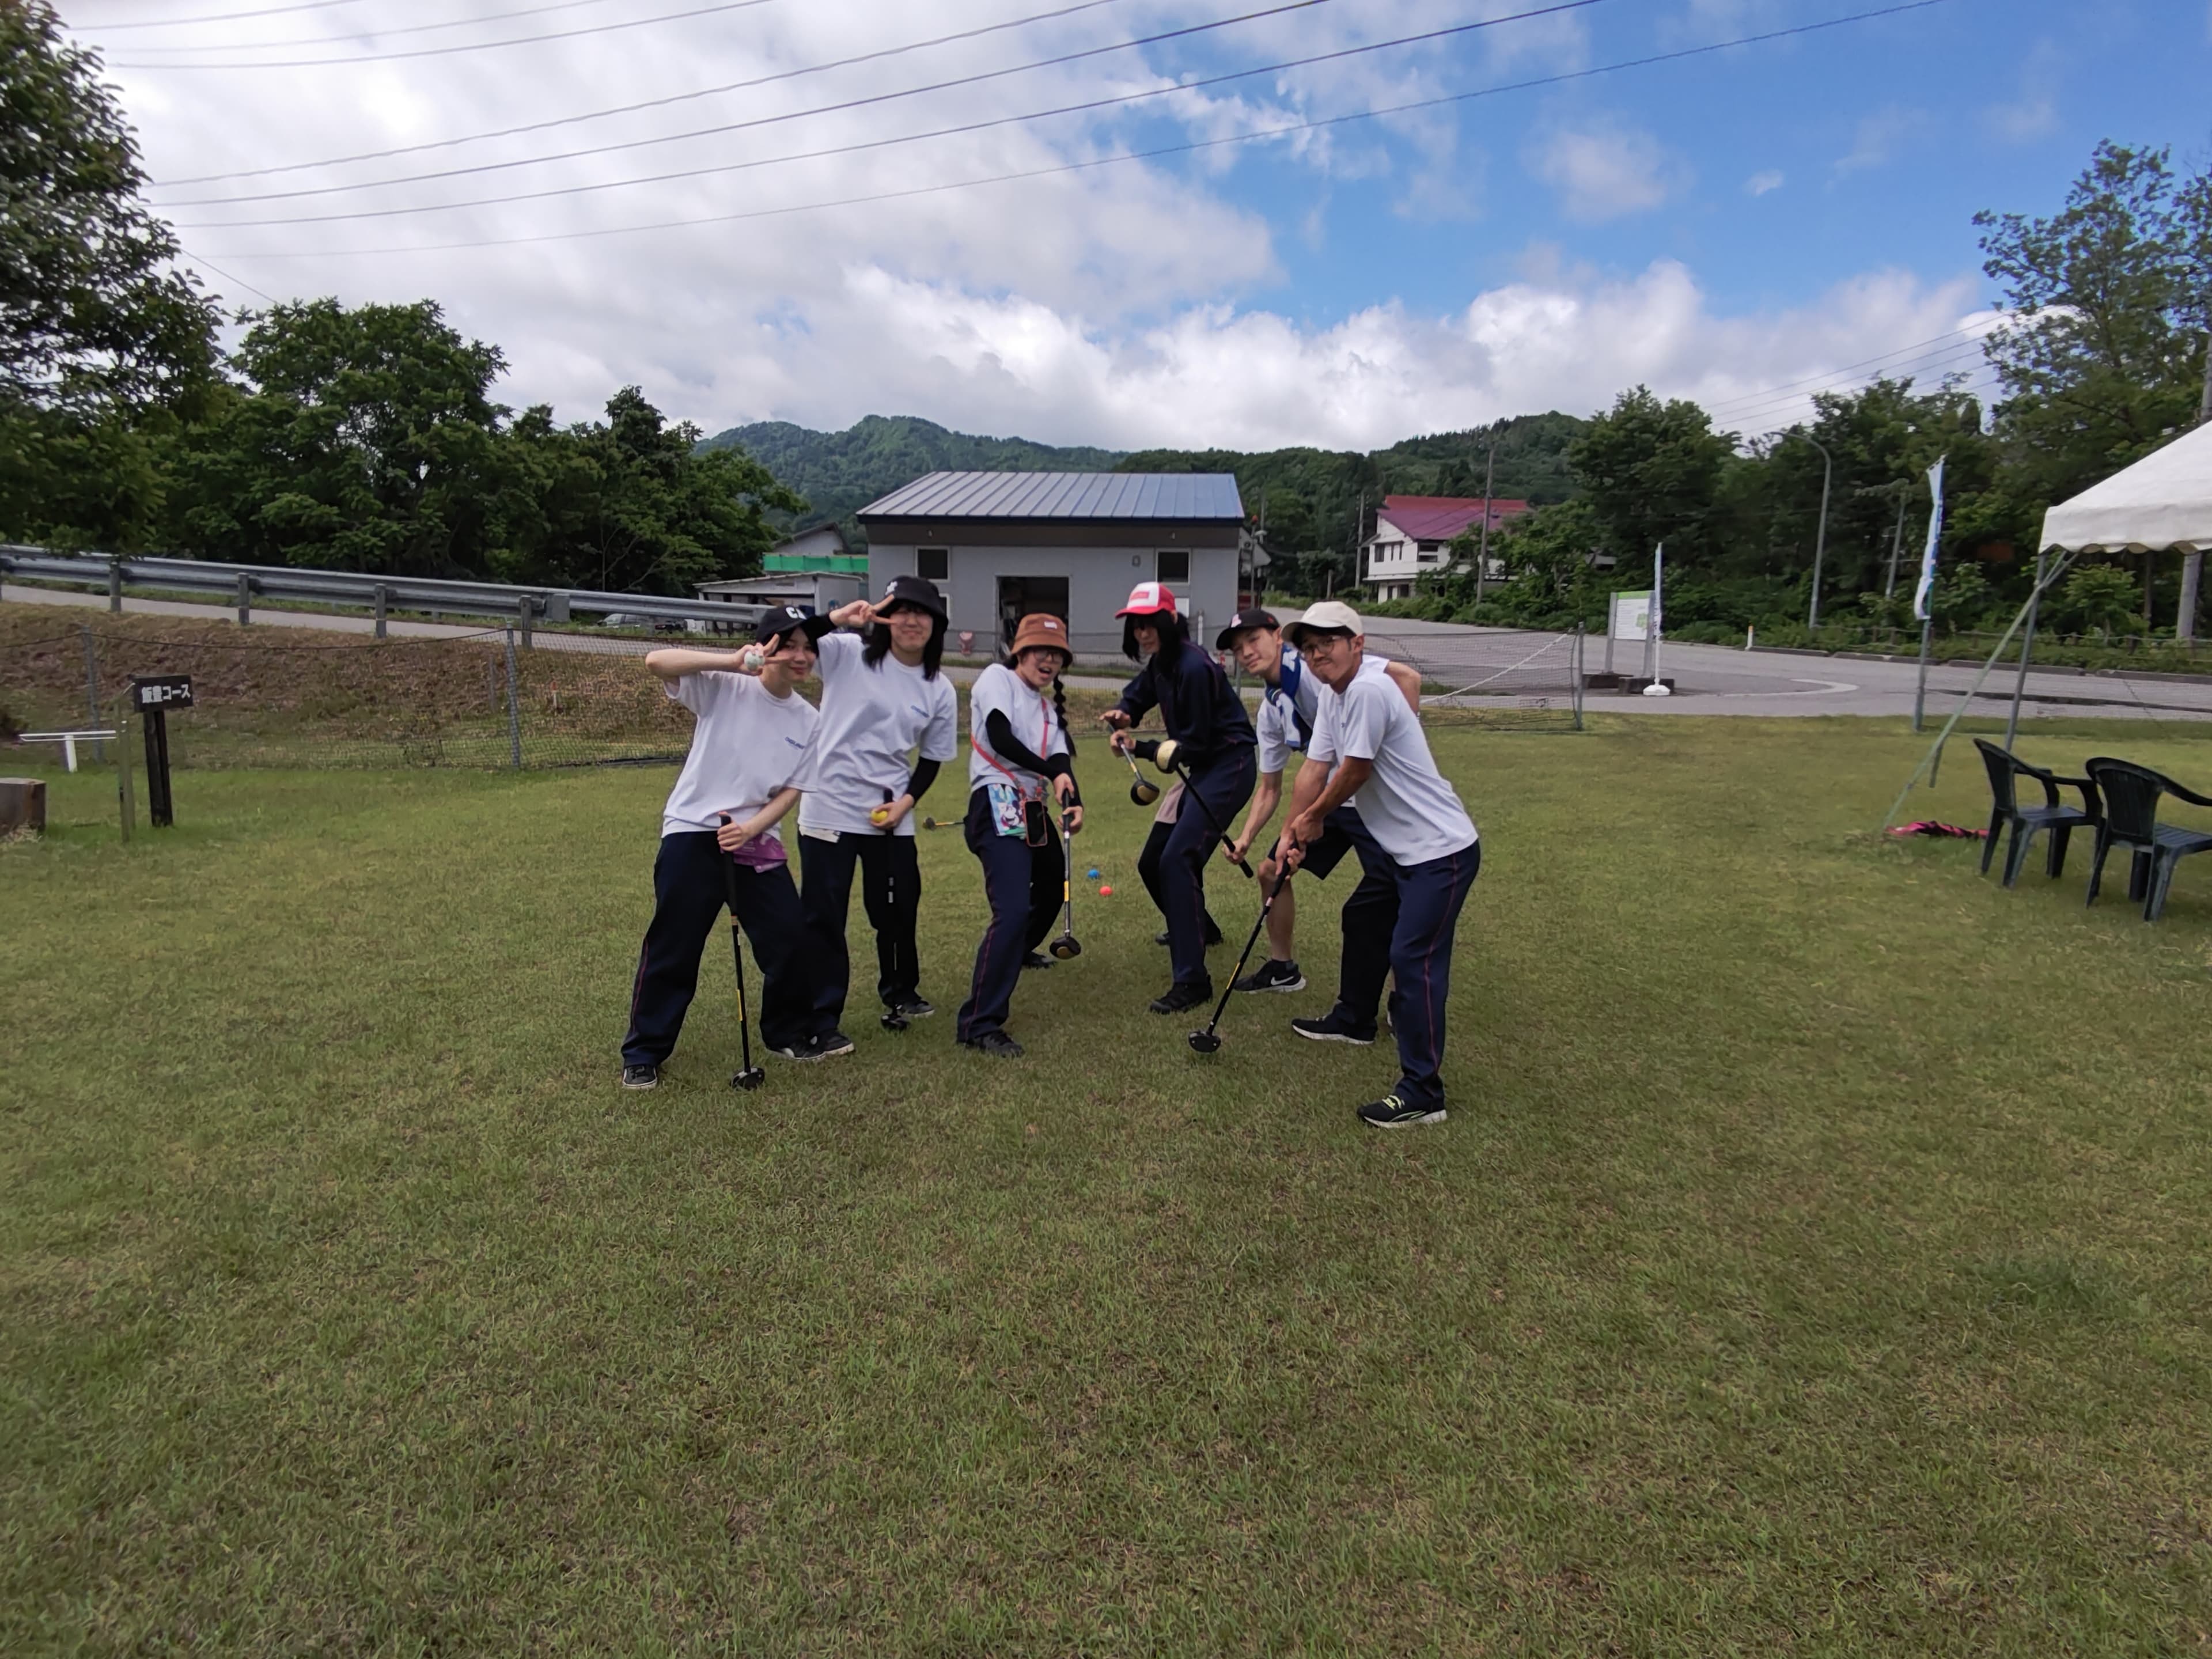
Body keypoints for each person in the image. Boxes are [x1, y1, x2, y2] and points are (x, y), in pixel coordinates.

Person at [1279, 601, 1479, 1128]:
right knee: (1364, 916)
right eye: (1308, 645)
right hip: (1402, 855)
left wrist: (1314, 820)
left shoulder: (1369, 689)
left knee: (1414, 961)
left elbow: (1355, 772)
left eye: (1330, 640)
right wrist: (1291, 828)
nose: (1318, 652)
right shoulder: (1331, 694)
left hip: (1441, 853)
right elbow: (1316, 768)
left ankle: (1423, 1091)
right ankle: (1353, 1019)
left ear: (1358, 643)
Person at [620, 604, 830, 1089]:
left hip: (755, 839)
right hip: (694, 830)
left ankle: (785, 1032)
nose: (800, 656)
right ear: (766, 648)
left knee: (789, 940)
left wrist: (753, 827)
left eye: (807, 648)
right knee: (675, 943)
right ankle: (644, 1050)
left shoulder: (810, 719)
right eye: (788, 645)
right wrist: (730, 661)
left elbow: (793, 790)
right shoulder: (725, 685)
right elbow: (656, 662)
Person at [1215, 608, 1422, 995]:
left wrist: (1401, 739)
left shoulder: (1316, 667)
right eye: (1239, 648)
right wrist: (1246, 836)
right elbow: (1270, 787)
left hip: (1371, 798)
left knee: (1393, 890)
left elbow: (1408, 677)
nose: (1247, 652)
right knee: (1271, 871)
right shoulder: (1271, 709)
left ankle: (1402, 996)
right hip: (1329, 802)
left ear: (1277, 637)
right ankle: (1283, 970)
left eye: (1253, 640)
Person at [797, 575, 960, 1041]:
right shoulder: (847, 653)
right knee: (824, 915)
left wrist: (906, 803)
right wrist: (835, 619)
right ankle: (822, 1015)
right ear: (884, 617)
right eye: (901, 609)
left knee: (897, 909)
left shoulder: (939, 688)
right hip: (828, 805)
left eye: (922, 612)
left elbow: (931, 759)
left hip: (890, 812)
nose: (911, 620)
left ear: (936, 625)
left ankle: (901, 990)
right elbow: (789, 641)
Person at [1100, 581, 1257, 1014]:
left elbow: (1196, 745)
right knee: (1153, 862)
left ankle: (1192, 981)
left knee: (1177, 859)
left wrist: (1141, 747)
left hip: (1229, 766)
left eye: (1150, 623)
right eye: (1136, 625)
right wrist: (1124, 711)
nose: (1143, 633)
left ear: (1171, 621)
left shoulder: (1194, 667)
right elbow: (1141, 691)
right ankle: (1199, 928)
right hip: (1203, 767)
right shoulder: (1162, 664)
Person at [955, 613, 1084, 1059]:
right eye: (1039, 651)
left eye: (1056, 655)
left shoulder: (1049, 710)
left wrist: (1073, 799)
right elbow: (999, 736)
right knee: (1010, 910)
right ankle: (979, 1023)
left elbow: (1062, 763)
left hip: (1030, 808)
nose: (1047, 661)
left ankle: (1017, 948)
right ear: (1019, 652)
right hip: (994, 801)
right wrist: (1051, 772)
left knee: (1053, 883)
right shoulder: (997, 679)